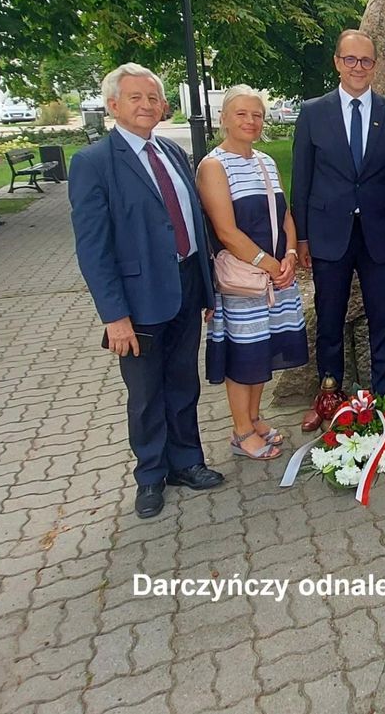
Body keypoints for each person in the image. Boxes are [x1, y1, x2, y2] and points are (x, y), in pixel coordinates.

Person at [69, 64, 222, 519]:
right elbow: (93, 248)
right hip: (138, 303)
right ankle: (151, 475)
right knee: (145, 393)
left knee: (183, 383)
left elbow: (194, 222)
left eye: (153, 98)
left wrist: (208, 291)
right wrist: (114, 315)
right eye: (135, 98)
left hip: (185, 286)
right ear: (113, 105)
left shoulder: (172, 152)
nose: (146, 105)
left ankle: (186, 461)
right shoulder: (94, 163)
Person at [292, 29, 385, 422]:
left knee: (382, 319)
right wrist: (301, 238)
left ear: (375, 65)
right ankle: (329, 395)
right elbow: (302, 179)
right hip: (329, 236)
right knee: (329, 319)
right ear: (337, 62)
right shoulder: (313, 112)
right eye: (350, 59)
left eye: (365, 60)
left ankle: (381, 398)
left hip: (380, 235)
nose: (358, 67)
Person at [196, 86, 308, 461]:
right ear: (224, 118)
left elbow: (285, 213)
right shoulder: (214, 166)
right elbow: (226, 230)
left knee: (263, 348)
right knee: (244, 353)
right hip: (245, 280)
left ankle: (255, 417)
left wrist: (290, 254)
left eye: (257, 115)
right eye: (241, 114)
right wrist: (271, 264)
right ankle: (241, 430)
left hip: (276, 276)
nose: (250, 121)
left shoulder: (265, 161)